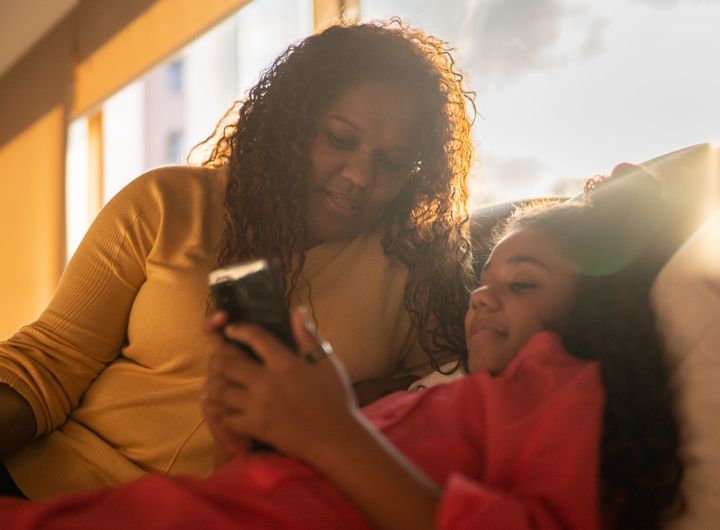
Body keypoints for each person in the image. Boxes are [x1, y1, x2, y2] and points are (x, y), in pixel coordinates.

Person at [0, 165, 683, 529]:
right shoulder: (457, 398)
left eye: (523, 282)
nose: (482, 296)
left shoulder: (565, 389)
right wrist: (254, 432)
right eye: (487, 279)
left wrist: (329, 432)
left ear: (599, 301)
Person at [0, 19, 476, 499]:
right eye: (340, 139)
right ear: (293, 124)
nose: (358, 175)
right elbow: (49, 364)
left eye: (392, 161)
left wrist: (348, 402)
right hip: (43, 489)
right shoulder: (167, 203)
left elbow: (433, 402)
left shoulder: (415, 274)